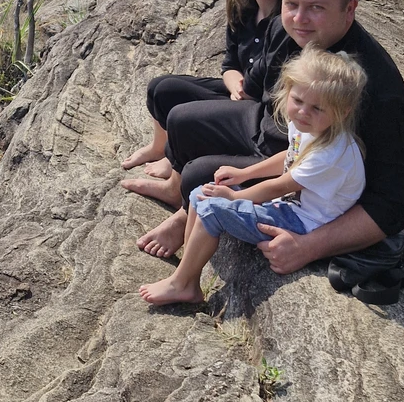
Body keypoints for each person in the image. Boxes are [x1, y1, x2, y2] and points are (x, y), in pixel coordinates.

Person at [135, 0, 404, 275]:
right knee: (181, 118)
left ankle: (185, 214)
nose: (299, 18)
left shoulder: (375, 87)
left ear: (349, 9)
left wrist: (309, 247)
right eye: (292, 4)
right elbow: (255, 89)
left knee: (203, 175)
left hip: (304, 162)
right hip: (272, 125)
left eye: (316, 7)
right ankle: (178, 193)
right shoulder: (288, 29)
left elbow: (395, 199)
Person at [139, 48, 366, 306]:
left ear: (343, 111)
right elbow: (289, 158)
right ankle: (186, 275)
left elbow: (280, 185)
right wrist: (244, 173)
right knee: (200, 193)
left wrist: (235, 195)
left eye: (317, 108)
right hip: (294, 204)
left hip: (306, 223)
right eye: (298, 101)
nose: (303, 112)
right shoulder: (311, 127)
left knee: (212, 209)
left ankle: (183, 284)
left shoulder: (330, 153)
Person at [120, 0, 301, 206]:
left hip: (258, 108)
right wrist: (233, 85)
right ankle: (162, 150)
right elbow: (229, 64)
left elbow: (261, 88)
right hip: (239, 93)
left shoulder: (286, 22)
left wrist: (243, 91)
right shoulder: (244, 8)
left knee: (184, 117)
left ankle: (174, 183)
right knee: (163, 88)